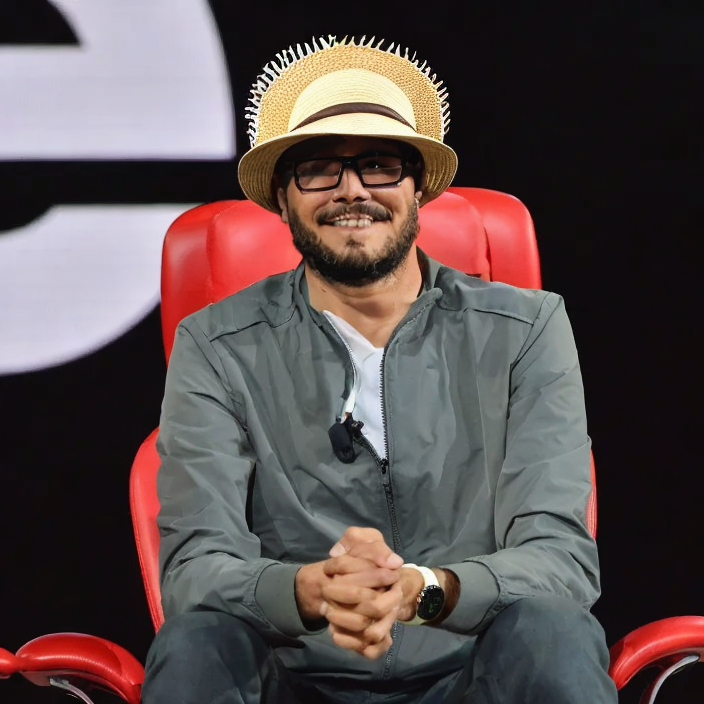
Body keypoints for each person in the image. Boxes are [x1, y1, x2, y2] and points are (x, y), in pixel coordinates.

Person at [142, 36, 618, 703]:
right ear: (281, 198)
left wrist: (427, 591)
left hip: (472, 671)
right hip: (292, 674)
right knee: (195, 642)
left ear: (418, 186)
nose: (352, 191)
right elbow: (195, 569)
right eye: (318, 170)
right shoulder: (216, 343)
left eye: (379, 164)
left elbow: (560, 561)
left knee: (553, 631)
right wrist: (309, 590)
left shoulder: (526, 329)